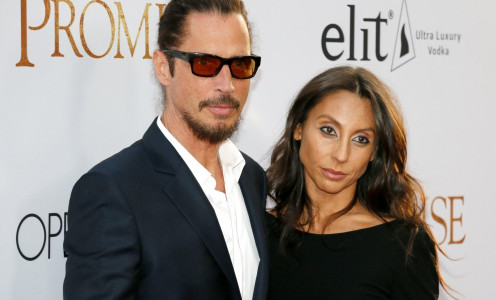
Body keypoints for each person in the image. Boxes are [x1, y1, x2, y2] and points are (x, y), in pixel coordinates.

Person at [63, 0, 268, 299]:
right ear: (163, 68)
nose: (227, 85)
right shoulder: (113, 191)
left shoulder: (251, 178)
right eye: (206, 63)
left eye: (239, 65)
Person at [266, 66, 448, 299]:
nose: (341, 155)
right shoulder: (258, 232)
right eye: (328, 130)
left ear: (374, 152)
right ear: (298, 129)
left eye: (361, 139)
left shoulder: (403, 244)